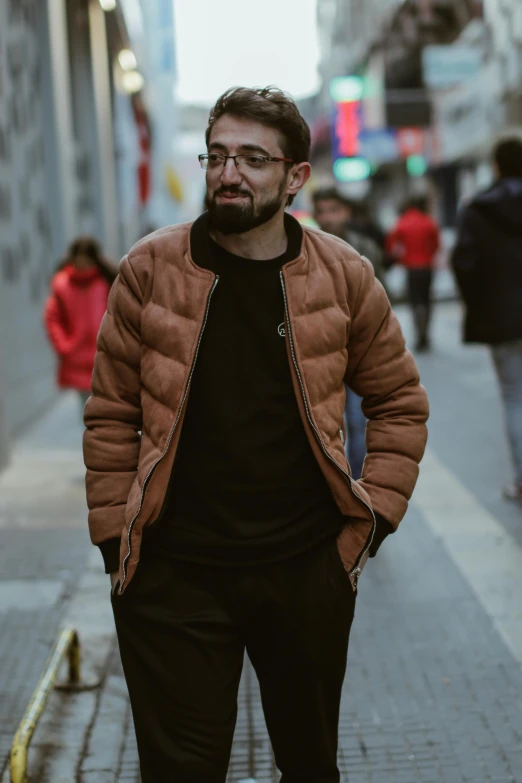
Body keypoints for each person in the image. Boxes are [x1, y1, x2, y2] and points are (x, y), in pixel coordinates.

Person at [83, 86, 429, 783]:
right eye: (217, 156)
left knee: (308, 765)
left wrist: (369, 525)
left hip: (305, 569)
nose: (228, 173)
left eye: (250, 158)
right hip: (174, 575)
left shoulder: (343, 275)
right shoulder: (151, 270)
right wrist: (116, 539)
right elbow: (111, 410)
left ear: (296, 175)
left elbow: (398, 401)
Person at [451, 137, 522, 503]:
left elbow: (463, 262)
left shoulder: (477, 209)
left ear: (495, 166)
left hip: (503, 317)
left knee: (514, 397)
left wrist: (481, 305)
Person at [312, 187, 387, 479]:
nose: (328, 217)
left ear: (346, 212)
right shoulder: (304, 253)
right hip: (319, 355)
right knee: (323, 427)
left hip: (357, 353)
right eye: (322, 211)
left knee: (358, 423)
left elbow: (381, 303)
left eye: (334, 210)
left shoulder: (365, 249)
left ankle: (356, 488)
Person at [44, 237, 117, 413]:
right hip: (77, 358)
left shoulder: (106, 281)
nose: (82, 263)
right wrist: (65, 346)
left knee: (109, 410)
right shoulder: (62, 284)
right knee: (88, 412)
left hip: (105, 355)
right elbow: (52, 318)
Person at [386, 195, 440, 352]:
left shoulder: (402, 223)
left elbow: (391, 244)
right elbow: (436, 244)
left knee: (415, 301)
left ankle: (419, 332)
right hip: (427, 266)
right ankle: (426, 333)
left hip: (411, 267)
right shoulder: (428, 221)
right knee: (426, 300)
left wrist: (402, 258)